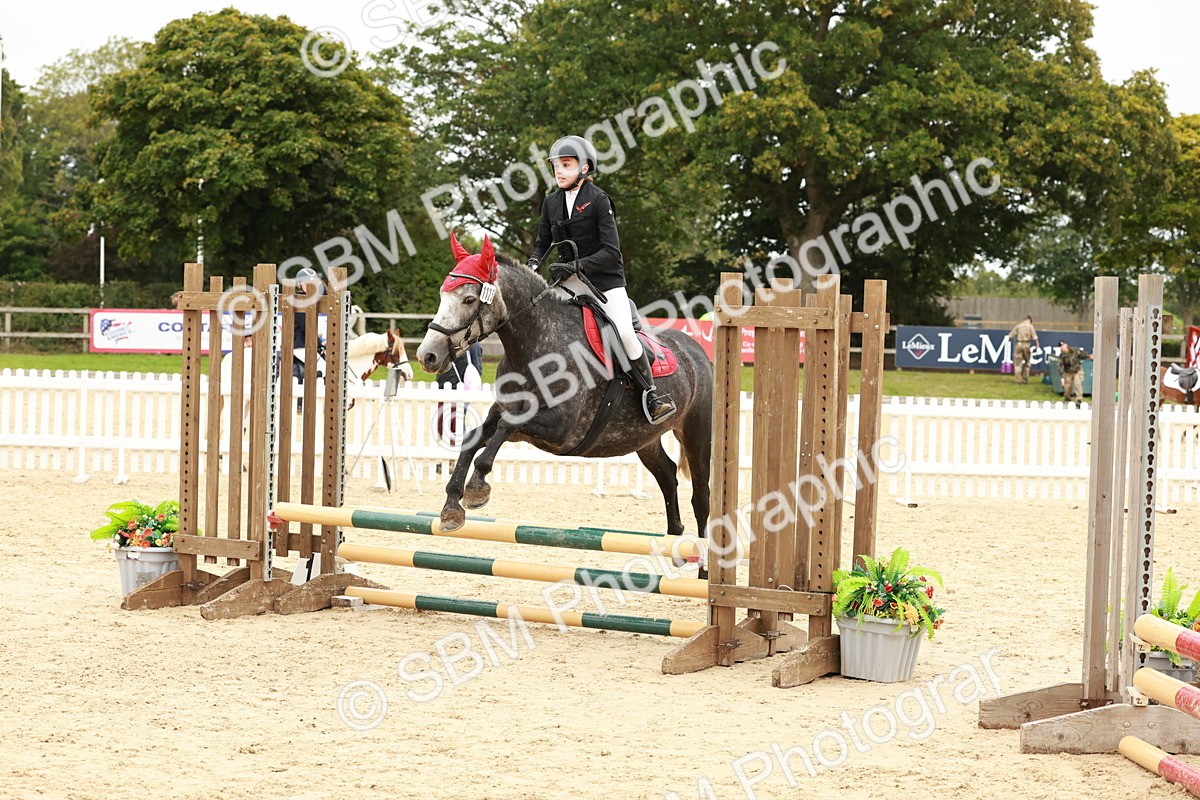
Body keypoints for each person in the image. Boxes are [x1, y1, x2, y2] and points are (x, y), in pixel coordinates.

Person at [527, 135, 675, 424]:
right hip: (568, 284)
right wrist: (533, 263)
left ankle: (652, 394)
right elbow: (542, 242)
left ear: (584, 169)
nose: (559, 171)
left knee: (623, 332)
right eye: (557, 165)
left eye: (566, 165)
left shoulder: (598, 200)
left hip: (605, 283)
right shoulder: (551, 202)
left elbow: (611, 251)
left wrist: (574, 266)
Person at [291, 267, 326, 412]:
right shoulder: (299, 300)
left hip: (307, 343)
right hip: (299, 344)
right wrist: (319, 343)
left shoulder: (310, 300)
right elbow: (306, 327)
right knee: (322, 367)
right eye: (307, 284)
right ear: (299, 284)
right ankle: (300, 401)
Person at [1056, 340, 1091, 408]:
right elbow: (1060, 367)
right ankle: (1067, 399)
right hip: (1068, 372)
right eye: (1061, 346)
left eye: (1063, 345)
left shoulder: (1074, 351)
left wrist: (1089, 356)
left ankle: (1079, 400)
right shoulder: (1061, 356)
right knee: (1067, 387)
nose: (1062, 347)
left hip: (1077, 370)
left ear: (1066, 345)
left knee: (1078, 383)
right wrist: (1062, 377)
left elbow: (1082, 354)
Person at [1007, 315, 1040, 384]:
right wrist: (1037, 345)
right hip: (1026, 344)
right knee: (1027, 362)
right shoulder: (1030, 326)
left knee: (1018, 363)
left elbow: (1010, 336)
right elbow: (1035, 337)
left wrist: (1010, 340)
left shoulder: (1018, 326)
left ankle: (1017, 380)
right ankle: (1025, 379)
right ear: (1029, 320)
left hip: (1018, 344)